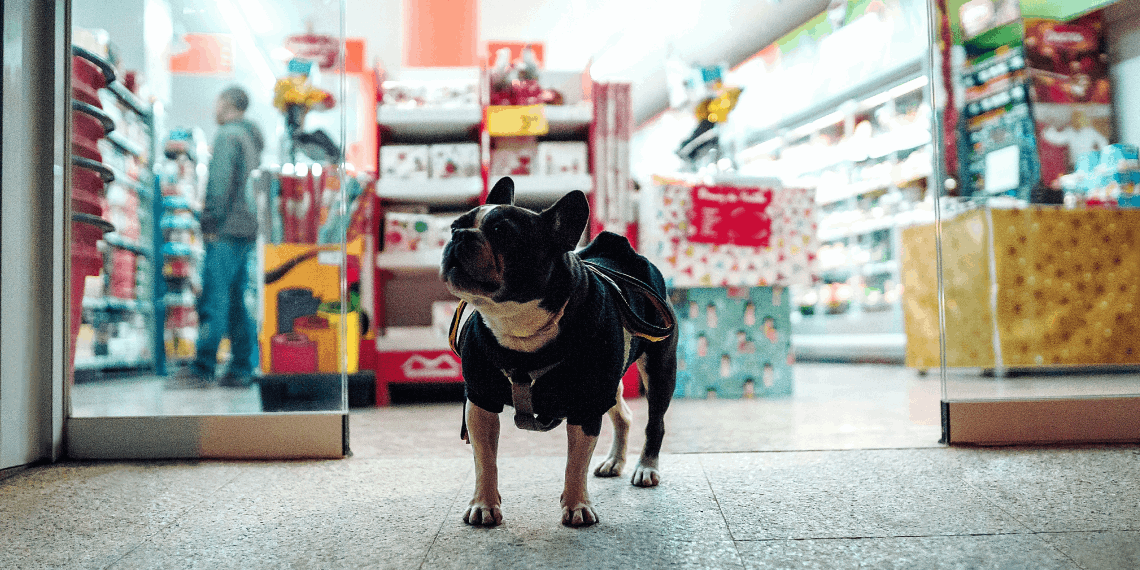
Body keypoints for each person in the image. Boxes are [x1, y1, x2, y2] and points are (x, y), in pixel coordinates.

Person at [171, 86, 265, 388]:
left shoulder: (228, 135)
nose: (214, 108)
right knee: (236, 300)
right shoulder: (250, 137)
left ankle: (203, 366)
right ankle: (242, 367)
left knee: (214, 298)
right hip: (245, 229)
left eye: (217, 102)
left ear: (227, 104)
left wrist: (209, 220)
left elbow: (220, 184)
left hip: (225, 229)